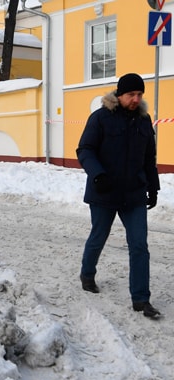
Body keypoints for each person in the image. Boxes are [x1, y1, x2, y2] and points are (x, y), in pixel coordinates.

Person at [76, 72, 161, 318]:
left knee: (139, 244)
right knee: (99, 235)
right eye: (131, 94)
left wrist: (153, 187)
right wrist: (98, 175)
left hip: (133, 192)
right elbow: (85, 149)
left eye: (139, 94)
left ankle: (141, 299)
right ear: (119, 94)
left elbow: (149, 158)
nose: (136, 99)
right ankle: (87, 273)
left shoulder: (144, 120)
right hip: (104, 190)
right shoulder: (100, 118)